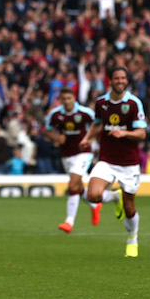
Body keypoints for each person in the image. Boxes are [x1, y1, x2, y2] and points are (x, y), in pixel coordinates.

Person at [79, 67, 147, 258]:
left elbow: (142, 133)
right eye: (117, 78)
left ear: (127, 80)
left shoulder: (134, 103)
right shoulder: (101, 102)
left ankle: (132, 238)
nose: (120, 81)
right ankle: (114, 197)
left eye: (123, 78)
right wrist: (88, 138)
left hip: (129, 163)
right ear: (111, 80)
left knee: (130, 208)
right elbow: (98, 123)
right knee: (92, 195)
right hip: (107, 160)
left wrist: (124, 132)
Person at [45, 87, 102, 234]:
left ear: (74, 98)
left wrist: (89, 139)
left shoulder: (85, 113)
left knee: (72, 185)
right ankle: (95, 206)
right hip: (66, 155)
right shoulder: (56, 115)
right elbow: (47, 130)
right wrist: (57, 138)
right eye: (64, 99)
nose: (67, 101)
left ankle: (69, 222)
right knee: (78, 187)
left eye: (69, 98)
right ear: (61, 100)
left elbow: (98, 125)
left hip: (83, 153)